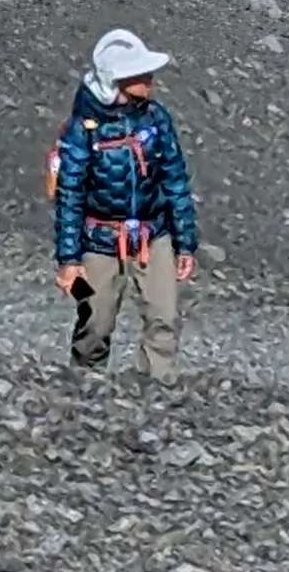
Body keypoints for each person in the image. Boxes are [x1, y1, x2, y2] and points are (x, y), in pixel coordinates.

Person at [49, 27, 201, 380]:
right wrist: (69, 261)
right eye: (141, 75)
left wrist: (185, 244)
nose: (150, 81)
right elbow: (69, 195)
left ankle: (157, 388)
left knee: (164, 318)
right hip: (98, 243)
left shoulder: (157, 119)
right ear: (117, 80)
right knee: (94, 319)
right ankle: (83, 384)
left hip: (154, 237)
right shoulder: (83, 128)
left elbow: (175, 180)